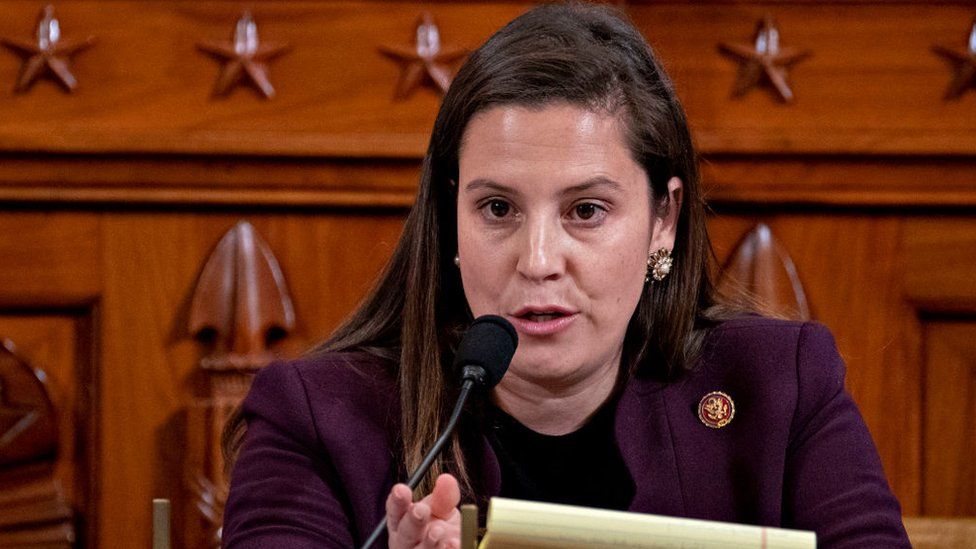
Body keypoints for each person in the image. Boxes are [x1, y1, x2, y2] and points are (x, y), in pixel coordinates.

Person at [221, 4, 910, 548]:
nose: (539, 258)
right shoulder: (316, 418)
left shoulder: (781, 389)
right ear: (450, 218)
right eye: (498, 208)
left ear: (662, 220)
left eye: (585, 210)